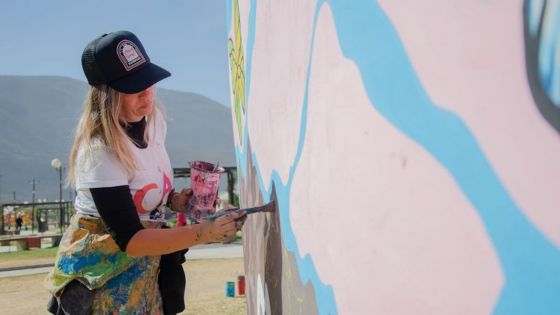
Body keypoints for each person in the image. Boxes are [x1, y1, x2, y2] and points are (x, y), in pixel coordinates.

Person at [44, 30, 246, 315]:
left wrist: (175, 201)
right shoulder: (100, 150)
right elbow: (132, 240)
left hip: (144, 269)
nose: (147, 93)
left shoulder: (154, 122)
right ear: (107, 96)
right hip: (101, 278)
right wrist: (203, 233)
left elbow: (142, 193)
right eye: (133, 87)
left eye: (147, 81)